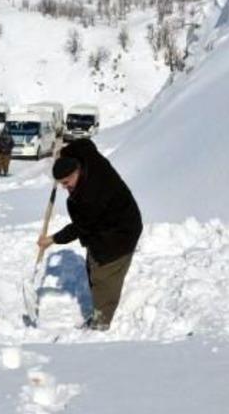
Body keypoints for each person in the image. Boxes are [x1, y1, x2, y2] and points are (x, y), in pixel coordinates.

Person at [37, 139, 142, 330]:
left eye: (66, 182)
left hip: (120, 233)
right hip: (116, 217)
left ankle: (100, 323)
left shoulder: (90, 197)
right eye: (60, 183)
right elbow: (85, 144)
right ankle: (98, 306)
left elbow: (80, 227)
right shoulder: (88, 158)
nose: (63, 187)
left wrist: (52, 239)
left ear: (76, 171)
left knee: (103, 274)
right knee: (93, 265)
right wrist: (63, 152)